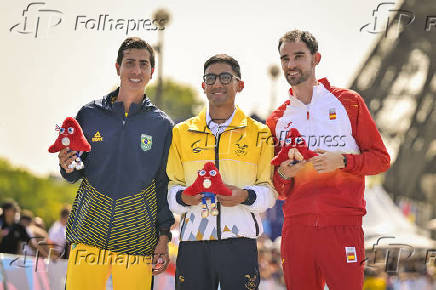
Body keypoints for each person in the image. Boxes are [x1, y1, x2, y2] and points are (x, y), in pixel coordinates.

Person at [266, 30, 390, 290]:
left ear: (316, 58)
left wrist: (343, 161)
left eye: (299, 56)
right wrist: (286, 174)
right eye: (285, 58)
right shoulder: (278, 119)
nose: (291, 64)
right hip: (296, 230)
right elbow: (277, 188)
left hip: (343, 227)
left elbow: (381, 160)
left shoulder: (349, 102)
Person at [57, 37, 174, 290]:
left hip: (138, 239)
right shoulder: (89, 114)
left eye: (143, 64)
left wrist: (163, 236)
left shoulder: (162, 126)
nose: (136, 70)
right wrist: (66, 166)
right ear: (117, 67)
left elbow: (163, 184)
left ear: (151, 72)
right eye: (129, 63)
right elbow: (75, 172)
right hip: (89, 232)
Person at [167, 54, 277, 290]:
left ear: (240, 85)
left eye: (226, 77)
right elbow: (171, 190)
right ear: (203, 85)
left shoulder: (260, 133)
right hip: (192, 244)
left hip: (240, 244)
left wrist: (244, 196)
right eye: (211, 78)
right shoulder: (181, 132)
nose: (217, 83)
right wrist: (183, 197)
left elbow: (269, 192)